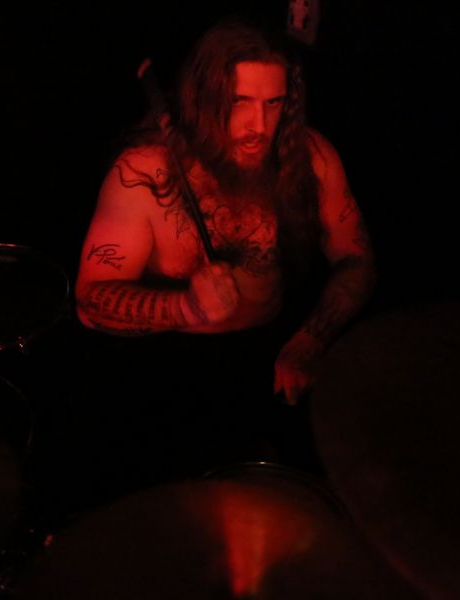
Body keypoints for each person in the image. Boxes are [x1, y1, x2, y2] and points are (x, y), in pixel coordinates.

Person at [68, 19, 375, 497]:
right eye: (240, 102)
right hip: (166, 368)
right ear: (205, 99)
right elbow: (90, 303)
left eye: (274, 104)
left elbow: (357, 260)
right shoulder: (144, 175)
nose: (259, 127)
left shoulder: (311, 157)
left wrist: (309, 340)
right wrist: (186, 308)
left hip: (270, 351)